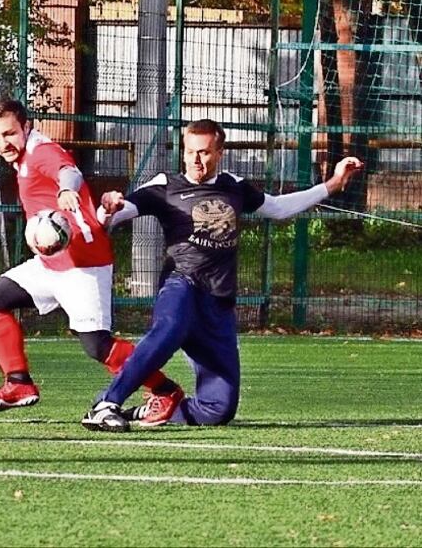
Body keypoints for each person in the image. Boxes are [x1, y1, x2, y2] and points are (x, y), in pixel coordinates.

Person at [82, 118, 364, 431]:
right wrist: (107, 209)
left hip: (217, 303)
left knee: (218, 409)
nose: (196, 159)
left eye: (204, 152)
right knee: (170, 328)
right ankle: (107, 403)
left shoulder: (234, 186)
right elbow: (116, 215)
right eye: (190, 152)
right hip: (181, 284)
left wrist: (332, 185)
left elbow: (279, 208)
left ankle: (147, 411)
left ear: (220, 152)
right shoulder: (166, 185)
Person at [0, 99, 183, 422]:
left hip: (83, 263)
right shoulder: (22, 158)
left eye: (10, 133)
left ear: (27, 127)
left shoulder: (41, 150)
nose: (4, 143)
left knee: (97, 346)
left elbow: (68, 170)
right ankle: (18, 383)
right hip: (50, 262)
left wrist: (65, 190)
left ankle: (165, 390)